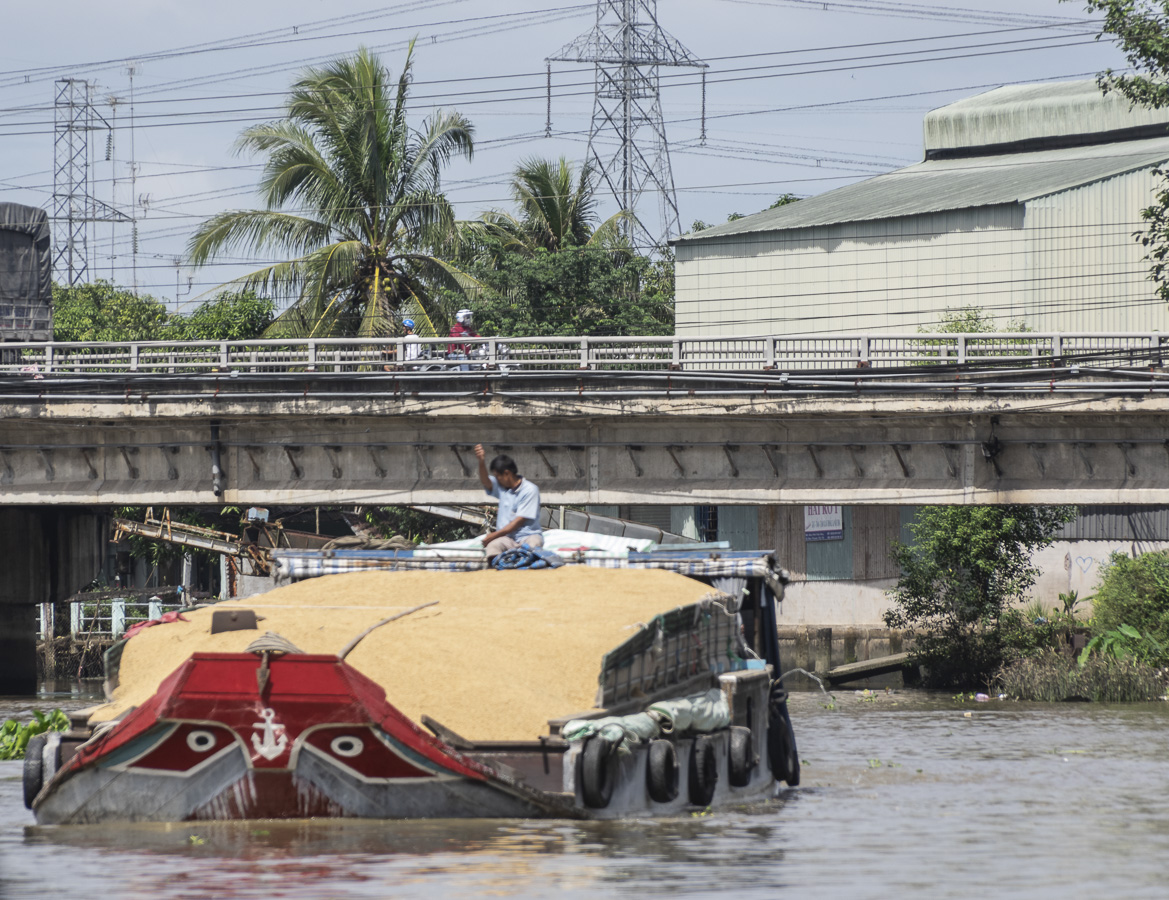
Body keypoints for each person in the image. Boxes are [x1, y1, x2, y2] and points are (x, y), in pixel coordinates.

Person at [474, 443, 543, 559]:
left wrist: (493, 535)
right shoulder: (502, 488)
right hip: (507, 538)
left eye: (497, 476)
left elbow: (518, 521)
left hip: (528, 536)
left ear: (507, 473)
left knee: (534, 544)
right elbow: (486, 481)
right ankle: (497, 571)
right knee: (493, 546)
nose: (496, 479)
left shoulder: (530, 490)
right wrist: (481, 461)